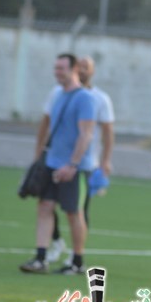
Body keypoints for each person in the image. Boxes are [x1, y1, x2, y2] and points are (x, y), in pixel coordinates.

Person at [19, 53, 96, 275]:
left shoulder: (85, 98)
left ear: (74, 69)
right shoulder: (58, 95)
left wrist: (72, 164)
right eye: (55, 68)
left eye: (61, 68)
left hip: (74, 168)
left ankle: (77, 261)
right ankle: (41, 258)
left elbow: (86, 134)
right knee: (44, 207)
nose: (57, 72)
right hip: (52, 163)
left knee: (73, 212)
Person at [45, 55, 115, 264]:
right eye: (80, 66)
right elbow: (45, 122)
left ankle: (76, 256)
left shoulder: (99, 98)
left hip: (84, 164)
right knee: (46, 204)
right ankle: (56, 241)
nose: (83, 70)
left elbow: (107, 132)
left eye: (87, 67)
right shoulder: (58, 92)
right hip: (54, 159)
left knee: (78, 209)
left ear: (92, 71)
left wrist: (105, 161)